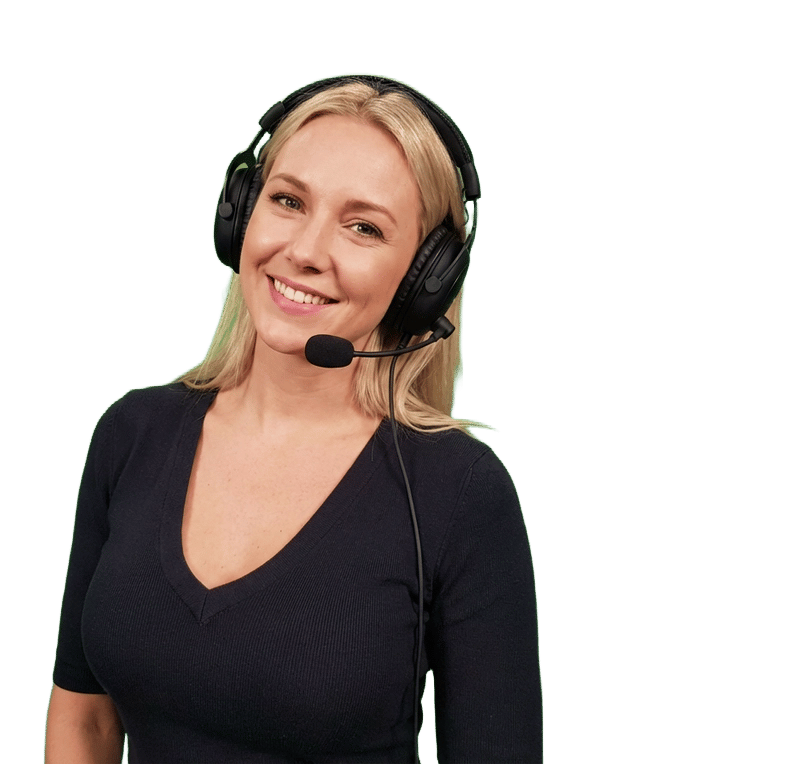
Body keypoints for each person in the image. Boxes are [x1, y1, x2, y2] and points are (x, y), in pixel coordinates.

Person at [45, 75, 542, 763]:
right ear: (240, 213)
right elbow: (87, 722)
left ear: (425, 280)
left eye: (364, 227)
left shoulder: (459, 493)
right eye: (288, 200)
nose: (306, 250)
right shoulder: (131, 436)